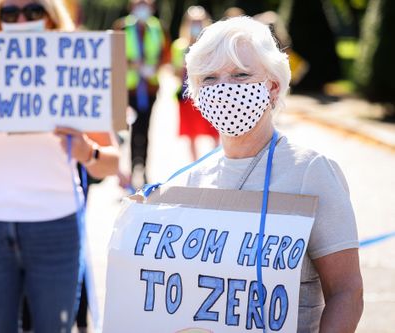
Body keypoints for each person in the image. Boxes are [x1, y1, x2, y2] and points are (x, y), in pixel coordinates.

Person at [0, 0, 120, 332]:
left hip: (56, 227)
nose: (20, 19)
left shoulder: (75, 73)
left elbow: (110, 163)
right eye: (8, 12)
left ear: (51, 18)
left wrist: (87, 152)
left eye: (33, 11)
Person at [180, 17, 363, 332]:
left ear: (273, 86)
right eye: (209, 78)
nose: (224, 89)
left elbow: (346, 291)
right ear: (196, 93)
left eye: (241, 75)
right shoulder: (194, 178)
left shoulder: (311, 171)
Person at [113, 0, 169, 188]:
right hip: (129, 89)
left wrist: (154, 68)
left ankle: (143, 169)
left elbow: (164, 54)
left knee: (144, 130)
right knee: (129, 131)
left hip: (150, 87)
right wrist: (131, 64)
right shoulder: (123, 26)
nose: (143, 8)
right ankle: (129, 169)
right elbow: (113, 54)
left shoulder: (157, 27)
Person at [171, 6, 218, 161]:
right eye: (193, 22)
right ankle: (195, 164)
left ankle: (215, 161)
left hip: (208, 96)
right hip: (186, 96)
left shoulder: (211, 47)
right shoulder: (179, 47)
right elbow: (175, 72)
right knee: (190, 133)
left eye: (199, 22)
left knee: (214, 131)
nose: (196, 26)